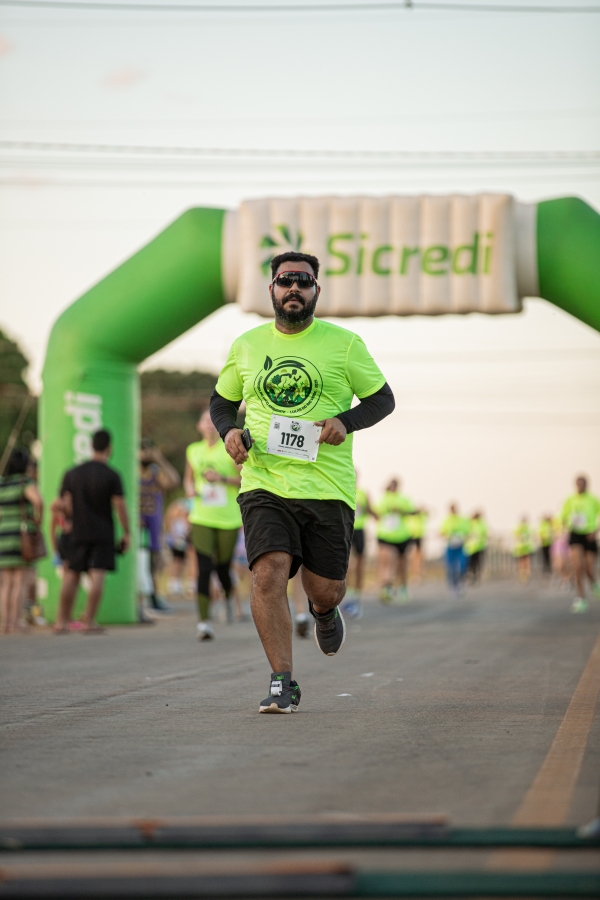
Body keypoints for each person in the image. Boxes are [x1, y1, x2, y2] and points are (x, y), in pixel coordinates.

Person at [210, 250, 394, 713]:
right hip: (264, 481)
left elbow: (383, 399)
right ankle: (282, 681)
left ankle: (324, 613)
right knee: (267, 571)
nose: (295, 287)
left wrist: (345, 422)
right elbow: (221, 401)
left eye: (304, 281)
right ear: (271, 289)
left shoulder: (344, 344)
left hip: (327, 486)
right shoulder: (247, 345)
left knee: (325, 588)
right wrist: (229, 431)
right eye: (286, 280)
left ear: (316, 291)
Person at [53, 429, 130, 634]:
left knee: (71, 575)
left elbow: (63, 504)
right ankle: (88, 621)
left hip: (77, 531)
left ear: (91, 446)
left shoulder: (72, 473)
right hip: (102, 532)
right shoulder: (112, 475)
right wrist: (127, 532)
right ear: (109, 448)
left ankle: (61, 621)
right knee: (97, 575)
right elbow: (120, 506)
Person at [184, 410, 242, 640]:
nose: (208, 425)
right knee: (204, 567)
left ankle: (228, 598)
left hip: (228, 518)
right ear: (198, 426)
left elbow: (245, 478)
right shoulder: (193, 450)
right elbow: (188, 478)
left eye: (212, 421)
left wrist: (221, 478)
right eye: (204, 421)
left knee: (223, 567)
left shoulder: (229, 448)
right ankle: (204, 623)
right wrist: (189, 489)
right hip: (201, 516)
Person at [0, 448, 43, 634]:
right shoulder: (24, 482)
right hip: (21, 535)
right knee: (20, 581)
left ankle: (5, 623)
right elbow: (38, 501)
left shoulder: (2, 484)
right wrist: (37, 520)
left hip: (3, 534)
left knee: (6, 583)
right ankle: (16, 622)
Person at [139, 439, 180, 611]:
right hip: (137, 526)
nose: (145, 454)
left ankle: (154, 597)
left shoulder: (156, 472)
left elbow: (174, 481)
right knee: (138, 564)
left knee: (154, 564)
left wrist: (159, 459)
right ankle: (141, 599)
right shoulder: (131, 471)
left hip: (153, 526)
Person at [561, 475, 600, 613]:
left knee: (589, 568)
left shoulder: (593, 499)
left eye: (583, 483)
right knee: (577, 566)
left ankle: (594, 582)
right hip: (575, 534)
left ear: (586, 485)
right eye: (578, 483)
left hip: (589, 535)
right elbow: (563, 516)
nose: (580, 486)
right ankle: (581, 598)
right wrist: (566, 526)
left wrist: (596, 531)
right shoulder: (570, 500)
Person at [376, 478, 417, 604]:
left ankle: (403, 587)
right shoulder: (383, 499)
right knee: (387, 561)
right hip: (386, 535)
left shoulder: (403, 499)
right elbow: (377, 514)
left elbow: (413, 511)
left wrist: (400, 511)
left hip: (402, 536)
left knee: (402, 564)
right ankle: (386, 587)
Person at [342, 472, 375, 618]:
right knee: (347, 562)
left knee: (360, 563)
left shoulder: (362, 493)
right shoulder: (342, 489)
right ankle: (348, 591)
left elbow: (371, 510)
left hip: (360, 529)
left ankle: (358, 592)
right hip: (347, 528)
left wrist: (368, 508)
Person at [440, 503, 470, 594]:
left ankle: (461, 582)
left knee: (462, 566)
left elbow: (468, 532)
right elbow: (441, 533)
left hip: (461, 547)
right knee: (451, 568)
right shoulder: (446, 521)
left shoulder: (462, 520)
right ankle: (454, 586)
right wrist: (449, 537)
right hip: (450, 547)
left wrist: (462, 538)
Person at [464, 510, 488, 584]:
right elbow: (465, 532)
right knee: (470, 563)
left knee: (478, 563)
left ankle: (477, 576)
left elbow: (485, 533)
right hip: (470, 548)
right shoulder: (469, 523)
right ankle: (471, 575)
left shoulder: (481, 524)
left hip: (479, 547)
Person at [407, 509, 428, 585]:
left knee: (419, 557)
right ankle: (414, 574)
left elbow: (428, 512)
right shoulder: (409, 517)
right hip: (410, 537)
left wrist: (421, 510)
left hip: (419, 537)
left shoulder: (420, 516)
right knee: (411, 557)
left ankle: (419, 574)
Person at [513, 515, 535, 583]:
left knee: (522, 561)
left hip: (521, 547)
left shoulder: (519, 528)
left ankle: (523, 573)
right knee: (526, 560)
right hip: (526, 547)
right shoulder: (528, 528)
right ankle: (526, 572)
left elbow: (516, 536)